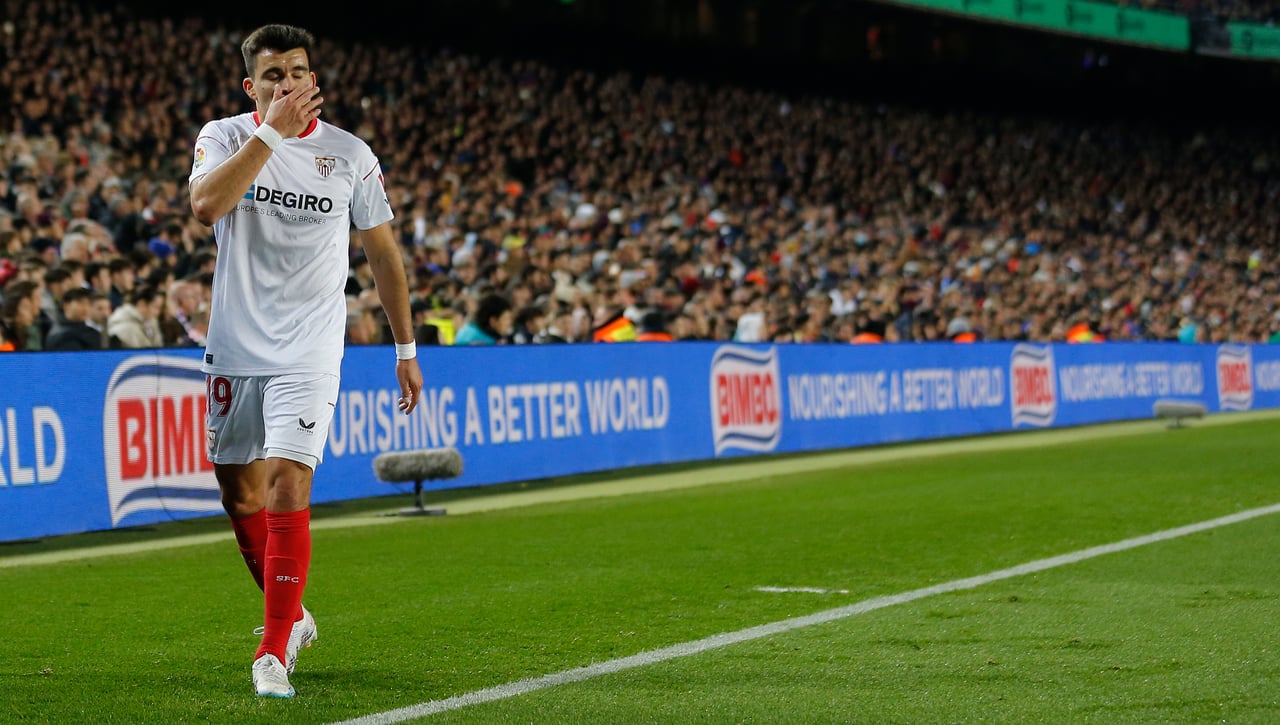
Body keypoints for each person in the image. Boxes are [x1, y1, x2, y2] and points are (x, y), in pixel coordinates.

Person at [187, 23, 422, 699]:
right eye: (273, 76)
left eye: (297, 72)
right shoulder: (225, 136)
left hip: (311, 348)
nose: (287, 84)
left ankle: (271, 651)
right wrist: (272, 135)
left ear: (312, 78)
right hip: (235, 346)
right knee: (240, 494)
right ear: (250, 87)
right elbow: (206, 206)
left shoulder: (350, 155)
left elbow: (383, 254)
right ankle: (293, 616)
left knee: (290, 479)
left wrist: (405, 347)